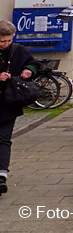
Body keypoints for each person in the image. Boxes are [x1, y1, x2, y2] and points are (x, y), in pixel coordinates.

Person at [0, 19, 38, 195]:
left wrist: (28, 70)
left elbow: (33, 63)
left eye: (8, 40)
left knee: (4, 138)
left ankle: (2, 174)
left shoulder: (17, 50)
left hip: (9, 102)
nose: (5, 44)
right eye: (2, 41)